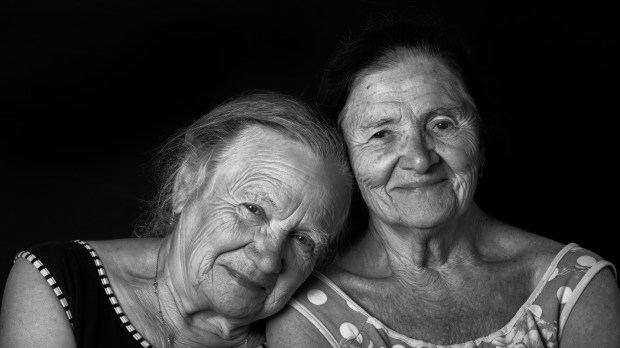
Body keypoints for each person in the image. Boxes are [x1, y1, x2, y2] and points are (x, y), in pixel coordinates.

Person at [266, 16, 620, 348]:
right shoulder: (309, 316)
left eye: (442, 125)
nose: (420, 159)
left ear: (480, 145)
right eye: (381, 134)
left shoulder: (574, 286)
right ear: (348, 163)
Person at [0, 90, 352, 348]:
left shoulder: (316, 333)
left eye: (303, 239)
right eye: (253, 209)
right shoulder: (61, 280)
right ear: (186, 184)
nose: (270, 257)